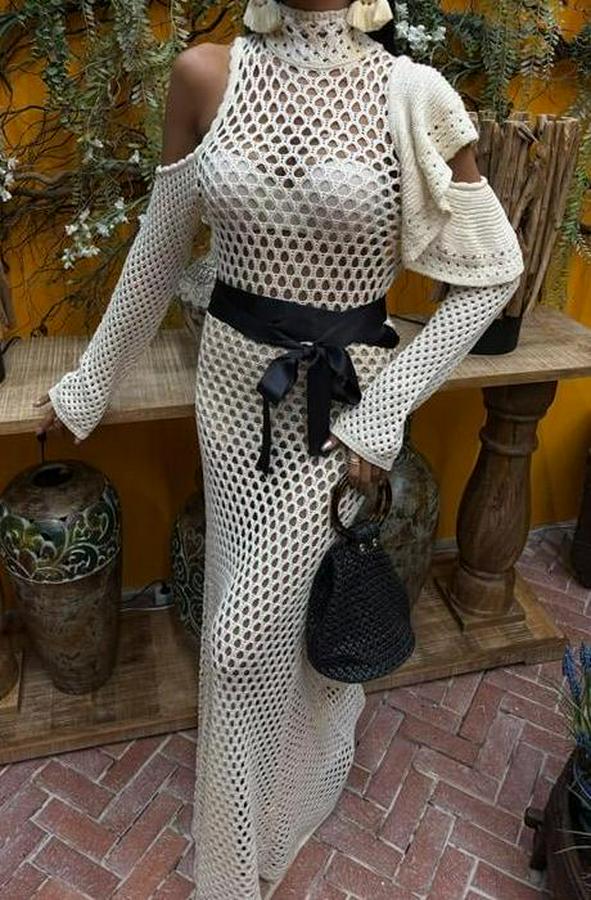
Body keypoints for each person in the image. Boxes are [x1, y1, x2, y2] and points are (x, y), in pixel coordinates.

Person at [33, 1, 524, 897]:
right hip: (230, 394)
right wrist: (87, 387)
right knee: (245, 597)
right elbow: (157, 252)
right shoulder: (204, 75)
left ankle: (249, 842)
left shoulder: (413, 94)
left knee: (234, 640)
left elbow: (492, 271)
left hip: (340, 408)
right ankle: (269, 780)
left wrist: (384, 413)